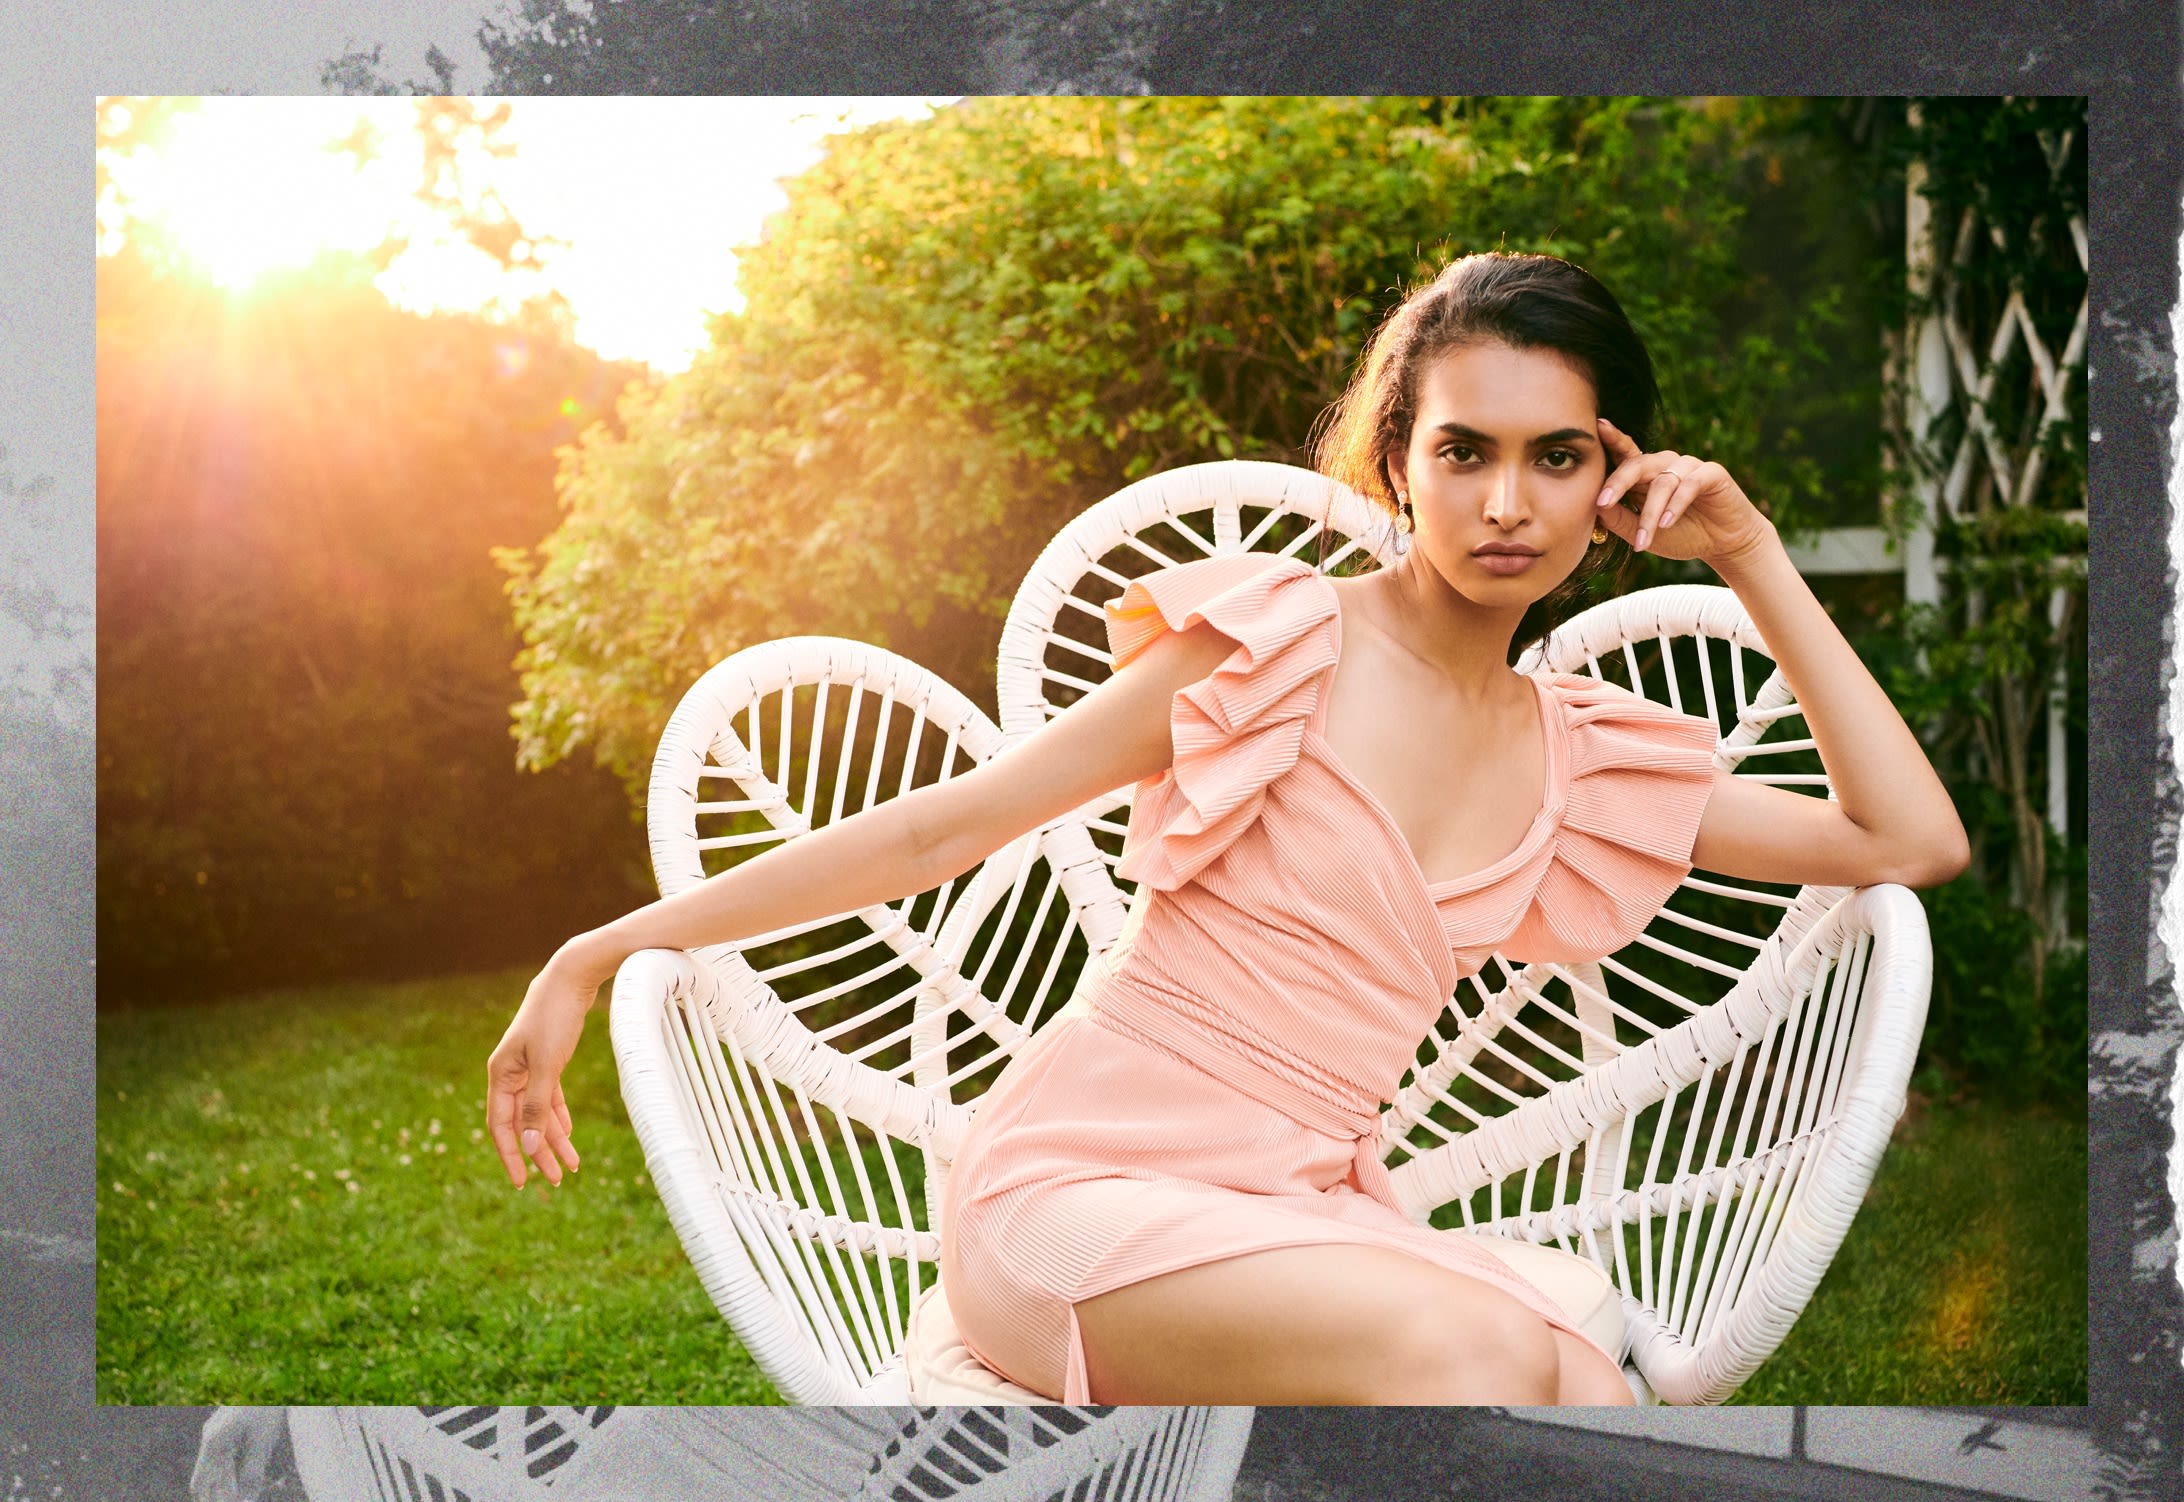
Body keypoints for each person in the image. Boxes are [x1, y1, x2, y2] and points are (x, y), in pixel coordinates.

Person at [487, 251, 1969, 1406]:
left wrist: (1750, 549)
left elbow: (1911, 840)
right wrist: (603, 944)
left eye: (1555, 456)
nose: (1505, 502)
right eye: (1463, 452)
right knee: (1498, 1360)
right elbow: (945, 828)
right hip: (1076, 1193)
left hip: (1297, 1214)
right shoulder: (1274, 643)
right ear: (1398, 463)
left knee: (1581, 1384)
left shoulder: (1584, 761)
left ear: (1614, 480)